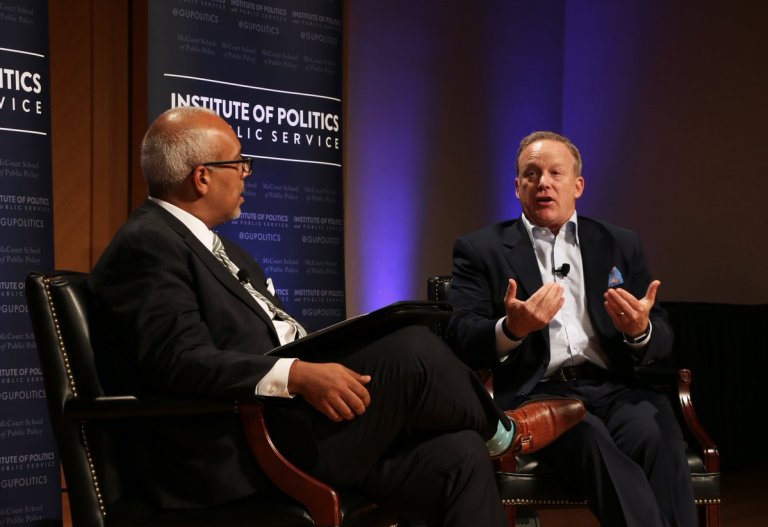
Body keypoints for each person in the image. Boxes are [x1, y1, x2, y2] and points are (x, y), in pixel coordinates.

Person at [87, 107, 585, 527]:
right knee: (412, 348)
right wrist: (298, 374)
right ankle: (507, 433)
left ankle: (487, 436)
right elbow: (177, 361)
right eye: (239, 163)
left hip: (291, 425)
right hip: (236, 445)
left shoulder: (227, 252)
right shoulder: (148, 244)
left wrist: (331, 352)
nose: (246, 174)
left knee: (458, 454)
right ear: (202, 177)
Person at [445, 130, 697, 527]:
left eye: (555, 173)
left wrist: (640, 330)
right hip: (540, 395)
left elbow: (662, 335)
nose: (542, 183)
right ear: (517, 187)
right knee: (594, 446)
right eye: (531, 174)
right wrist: (511, 329)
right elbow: (460, 333)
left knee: (657, 435)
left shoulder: (619, 243)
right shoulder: (480, 249)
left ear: (577, 186)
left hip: (616, 388)